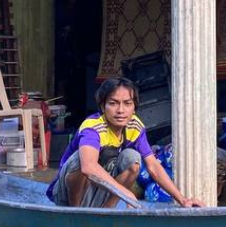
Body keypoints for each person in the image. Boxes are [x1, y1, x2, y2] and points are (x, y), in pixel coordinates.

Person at [46, 77, 202, 208]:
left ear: (134, 107)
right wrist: (125, 192)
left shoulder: (134, 126)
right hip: (66, 195)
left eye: (127, 103)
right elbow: (88, 167)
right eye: (113, 103)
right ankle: (75, 214)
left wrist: (182, 200)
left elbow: (153, 166)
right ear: (102, 106)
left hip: (97, 193)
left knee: (133, 158)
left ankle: (106, 212)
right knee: (82, 158)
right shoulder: (93, 127)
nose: (120, 110)